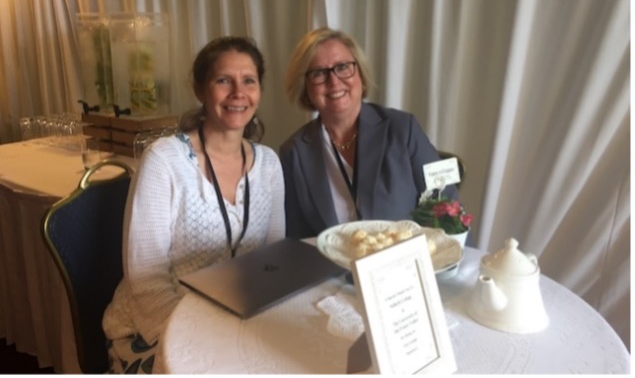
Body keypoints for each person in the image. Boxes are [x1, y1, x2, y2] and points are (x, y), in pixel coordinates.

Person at [102, 36, 285, 373]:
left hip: (237, 318)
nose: (237, 93)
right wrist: (207, 333)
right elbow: (146, 281)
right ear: (200, 90)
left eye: (249, 81)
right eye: (223, 80)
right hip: (156, 324)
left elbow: (270, 260)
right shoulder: (165, 161)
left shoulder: (270, 164)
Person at [280, 27, 458, 239]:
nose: (334, 81)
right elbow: (297, 238)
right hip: (333, 269)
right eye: (319, 73)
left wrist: (448, 267)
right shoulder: (293, 153)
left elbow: (447, 206)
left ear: (361, 75)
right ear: (305, 88)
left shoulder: (403, 128)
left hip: (405, 263)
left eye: (343, 67)